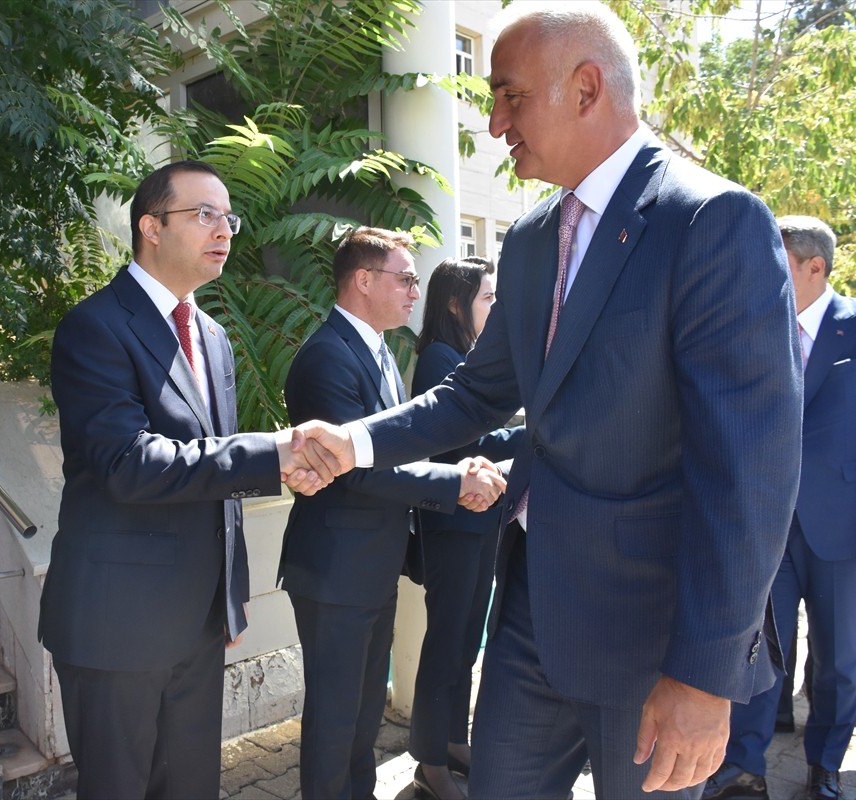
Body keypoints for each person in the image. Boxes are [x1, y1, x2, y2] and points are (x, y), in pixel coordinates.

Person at [291, 4, 803, 798]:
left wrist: (706, 677)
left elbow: (750, 469)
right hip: (533, 617)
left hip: (653, 639)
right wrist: (351, 442)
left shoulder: (711, 220)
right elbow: (474, 393)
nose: (495, 122)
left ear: (587, 88)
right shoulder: (532, 239)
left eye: (510, 96)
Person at [37, 160, 339, 800]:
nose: (223, 230)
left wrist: (231, 592)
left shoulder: (213, 336)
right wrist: (272, 452)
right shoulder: (95, 326)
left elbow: (214, 471)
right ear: (150, 227)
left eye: (228, 218)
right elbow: (128, 464)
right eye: (204, 215)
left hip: (198, 623)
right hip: (117, 624)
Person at [278, 229, 506, 800]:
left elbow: (395, 449)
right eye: (405, 279)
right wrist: (453, 482)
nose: (414, 292)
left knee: (361, 721)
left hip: (370, 565)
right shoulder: (327, 356)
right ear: (362, 280)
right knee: (336, 722)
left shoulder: (376, 348)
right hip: (336, 570)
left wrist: (457, 468)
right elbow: (354, 469)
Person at [705, 216, 856, 800]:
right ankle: (744, 766)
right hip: (765, 526)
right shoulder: (753, 323)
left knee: (837, 660)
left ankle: (825, 766)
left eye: (777, 263)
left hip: (844, 528)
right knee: (759, 652)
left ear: (816, 267)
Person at [408, 257, 522, 800]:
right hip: (452, 525)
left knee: (464, 646)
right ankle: (428, 763)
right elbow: (461, 442)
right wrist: (530, 435)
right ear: (456, 304)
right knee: (446, 643)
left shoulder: (467, 357)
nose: (496, 307)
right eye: (487, 298)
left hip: (479, 522)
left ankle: (453, 741)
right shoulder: (439, 357)